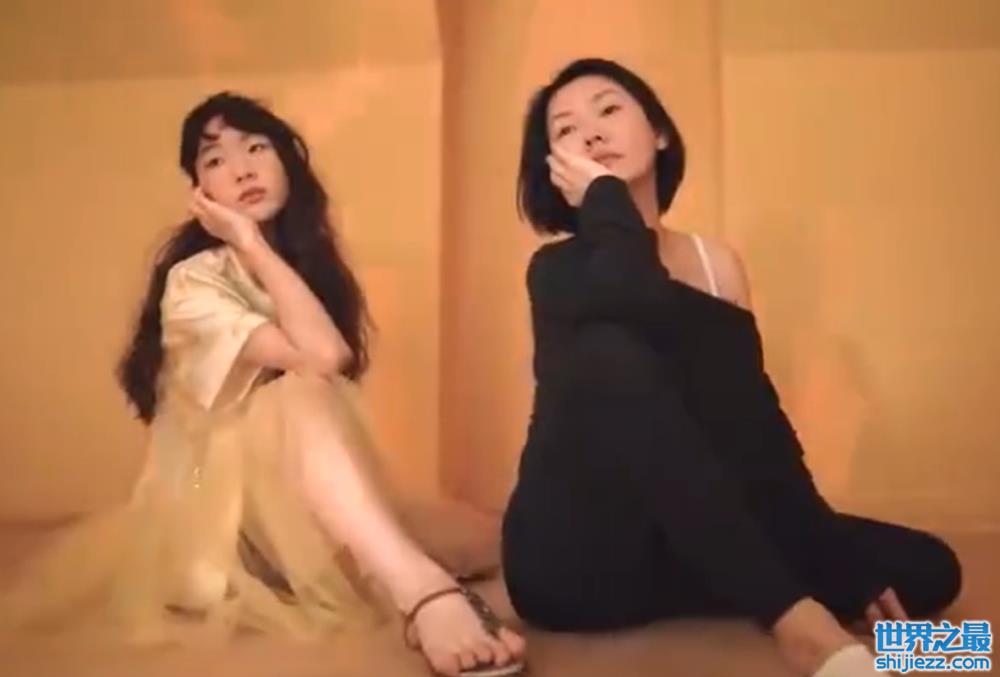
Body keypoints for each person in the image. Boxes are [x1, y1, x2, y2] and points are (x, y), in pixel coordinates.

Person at [0, 92, 524, 677]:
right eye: (215, 160)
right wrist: (246, 239)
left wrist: (262, 253)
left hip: (308, 506)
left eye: (256, 148)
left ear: (287, 164)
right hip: (221, 521)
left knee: (485, 540)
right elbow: (323, 357)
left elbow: (332, 357)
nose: (242, 168)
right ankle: (424, 595)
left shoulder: (303, 268)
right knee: (294, 388)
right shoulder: (193, 283)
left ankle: (402, 568)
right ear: (201, 192)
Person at [501, 58, 960, 677]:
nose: (592, 133)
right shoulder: (556, 271)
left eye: (608, 109)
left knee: (926, 569)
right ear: (557, 170)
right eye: (566, 130)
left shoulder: (716, 264)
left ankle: (859, 633)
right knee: (609, 352)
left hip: (686, 540)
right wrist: (607, 197)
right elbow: (636, 291)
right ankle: (798, 626)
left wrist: (827, 547)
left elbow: (753, 424)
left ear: (659, 133)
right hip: (576, 556)